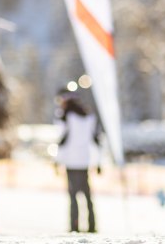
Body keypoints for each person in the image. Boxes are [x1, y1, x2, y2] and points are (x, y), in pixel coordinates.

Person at [54, 89, 100, 233]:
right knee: (87, 196)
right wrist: (98, 161)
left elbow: (62, 141)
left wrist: (57, 160)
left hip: (71, 162)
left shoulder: (65, 117)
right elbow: (96, 141)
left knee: (73, 197)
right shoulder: (88, 116)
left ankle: (74, 226)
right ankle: (92, 226)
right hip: (84, 161)